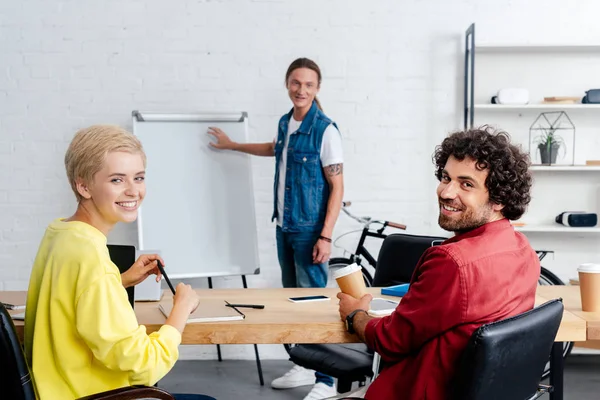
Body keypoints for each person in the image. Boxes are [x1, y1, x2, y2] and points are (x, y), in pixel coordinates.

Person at [337, 126, 540, 399]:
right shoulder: (522, 249)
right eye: (446, 178)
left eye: (466, 184)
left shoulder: (452, 263)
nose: (446, 192)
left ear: (498, 199)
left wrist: (354, 315)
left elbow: (389, 341)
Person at [24, 125, 215, 400]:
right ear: (83, 186)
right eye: (117, 180)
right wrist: (180, 311)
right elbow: (146, 367)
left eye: (138, 178)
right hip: (93, 395)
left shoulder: (61, 233)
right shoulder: (92, 260)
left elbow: (69, 296)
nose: (133, 191)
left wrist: (120, 279)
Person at [208, 57, 343, 399]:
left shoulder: (325, 130)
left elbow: (338, 187)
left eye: (309, 84)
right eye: (296, 83)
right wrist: (232, 145)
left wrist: (325, 235)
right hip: (284, 227)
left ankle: (326, 381)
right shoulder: (286, 123)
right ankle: (305, 365)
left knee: (315, 304)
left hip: (310, 230)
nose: (301, 89)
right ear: (287, 84)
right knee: (292, 301)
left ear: (317, 88)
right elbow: (274, 149)